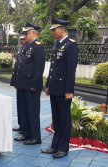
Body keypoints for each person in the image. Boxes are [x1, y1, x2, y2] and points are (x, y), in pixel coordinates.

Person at [41, 18, 79, 158]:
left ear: (62, 29)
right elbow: (53, 68)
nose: (52, 32)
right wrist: (48, 85)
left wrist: (69, 90)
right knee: (56, 119)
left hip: (64, 90)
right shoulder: (57, 45)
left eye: (54, 30)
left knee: (64, 119)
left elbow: (71, 70)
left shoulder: (70, 45)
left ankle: (63, 148)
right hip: (55, 88)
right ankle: (54, 145)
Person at [12, 22, 45, 145]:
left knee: (32, 111)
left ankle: (35, 137)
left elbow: (39, 69)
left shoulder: (38, 47)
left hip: (31, 85)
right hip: (22, 84)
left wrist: (34, 85)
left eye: (26, 33)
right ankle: (26, 134)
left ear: (33, 33)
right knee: (24, 110)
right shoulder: (26, 47)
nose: (24, 36)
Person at [11, 31, 27, 133]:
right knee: (20, 106)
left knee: (25, 107)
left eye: (22, 39)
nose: (21, 41)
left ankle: (25, 127)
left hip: (26, 82)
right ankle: (22, 125)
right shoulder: (23, 49)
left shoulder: (33, 48)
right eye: (20, 39)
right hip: (20, 81)